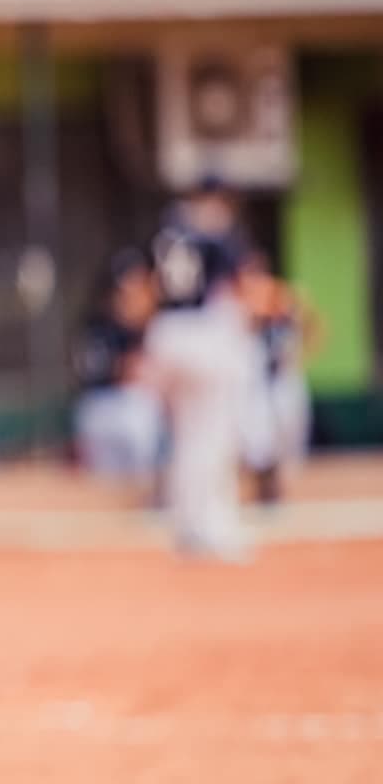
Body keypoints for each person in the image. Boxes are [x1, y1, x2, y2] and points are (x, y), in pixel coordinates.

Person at [141, 176, 255, 559]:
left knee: (188, 438)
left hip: (166, 334)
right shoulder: (217, 233)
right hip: (204, 338)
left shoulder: (166, 231)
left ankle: (188, 526)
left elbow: (153, 287)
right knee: (213, 436)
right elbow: (238, 289)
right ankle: (214, 527)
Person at [71, 248, 164, 487]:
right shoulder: (101, 326)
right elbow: (124, 372)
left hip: (121, 410)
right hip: (108, 407)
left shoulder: (156, 325)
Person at [237, 247, 316, 503]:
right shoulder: (235, 302)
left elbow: (312, 325)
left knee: (289, 442)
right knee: (256, 442)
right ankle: (263, 492)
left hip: (283, 379)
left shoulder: (281, 296)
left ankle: (285, 493)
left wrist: (300, 352)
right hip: (253, 384)